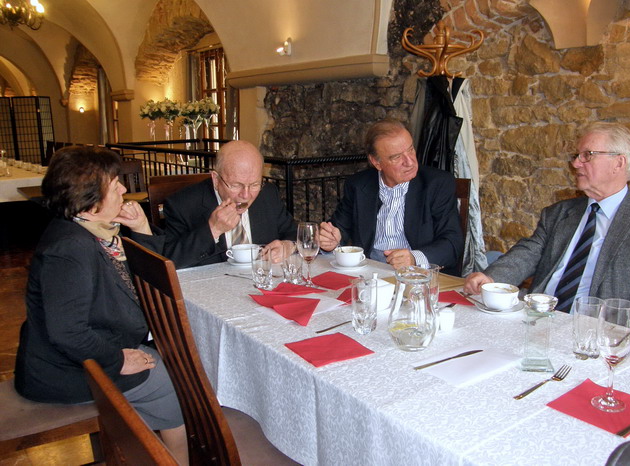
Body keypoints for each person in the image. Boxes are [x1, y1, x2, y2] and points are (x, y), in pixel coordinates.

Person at [14, 146, 188, 463]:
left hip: (82, 354)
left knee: (171, 358)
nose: (123, 189)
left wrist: (142, 229)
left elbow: (142, 280)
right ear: (90, 203)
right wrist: (117, 359)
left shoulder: (93, 231)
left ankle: (136, 444)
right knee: (166, 380)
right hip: (63, 371)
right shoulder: (71, 248)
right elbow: (67, 332)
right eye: (114, 183)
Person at [464, 122, 630, 336]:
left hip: (597, 333)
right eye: (576, 156)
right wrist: (492, 278)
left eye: (587, 155)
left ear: (619, 163)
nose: (576, 163)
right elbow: (528, 253)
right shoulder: (559, 213)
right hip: (537, 322)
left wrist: (616, 336)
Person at [319, 118, 463, 276]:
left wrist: (414, 258)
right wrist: (330, 242)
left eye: (410, 149)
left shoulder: (437, 184)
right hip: (369, 274)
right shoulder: (358, 185)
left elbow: (453, 243)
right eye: (397, 157)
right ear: (377, 162)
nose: (409, 162)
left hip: (419, 276)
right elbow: (338, 230)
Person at [164, 140, 297, 268]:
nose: (246, 195)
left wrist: (288, 246)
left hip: (262, 278)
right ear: (216, 180)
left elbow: (294, 234)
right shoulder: (182, 204)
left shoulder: (268, 194)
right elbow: (168, 260)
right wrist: (213, 230)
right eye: (236, 185)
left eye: (254, 184)